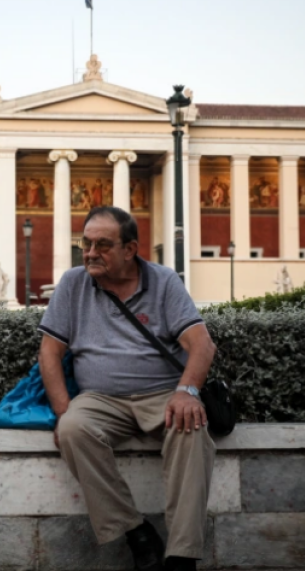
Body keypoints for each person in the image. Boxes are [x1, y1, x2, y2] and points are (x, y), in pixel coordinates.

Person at [39, 206, 218, 571]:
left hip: (163, 395)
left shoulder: (165, 281)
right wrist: (62, 412)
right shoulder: (74, 283)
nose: (90, 253)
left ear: (130, 249)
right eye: (86, 243)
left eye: (102, 245)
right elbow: (49, 352)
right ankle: (136, 532)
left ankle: (182, 556)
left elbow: (202, 345)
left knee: (193, 430)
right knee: (73, 429)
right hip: (100, 399)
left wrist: (187, 392)